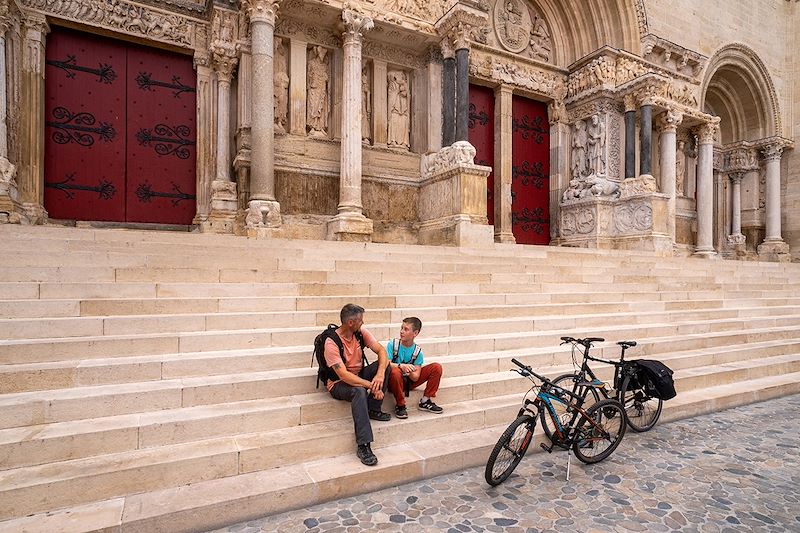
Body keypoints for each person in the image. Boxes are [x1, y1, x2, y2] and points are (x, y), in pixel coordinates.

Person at [324, 304, 391, 466]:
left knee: (384, 365)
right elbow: (343, 375)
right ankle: (364, 445)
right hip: (339, 384)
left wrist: (380, 375)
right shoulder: (331, 342)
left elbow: (382, 351)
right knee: (359, 391)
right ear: (351, 323)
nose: (363, 323)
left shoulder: (360, 333)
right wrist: (371, 386)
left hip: (358, 376)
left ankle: (373, 409)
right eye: (360, 320)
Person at [385, 317, 443, 419]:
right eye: (401, 328)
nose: (401, 331)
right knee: (395, 371)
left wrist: (409, 371)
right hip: (393, 381)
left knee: (436, 367)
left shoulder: (417, 352)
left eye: (406, 329)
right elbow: (385, 363)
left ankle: (425, 401)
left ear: (415, 333)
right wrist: (401, 366)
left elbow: (415, 377)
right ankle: (400, 405)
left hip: (408, 382)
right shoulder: (392, 344)